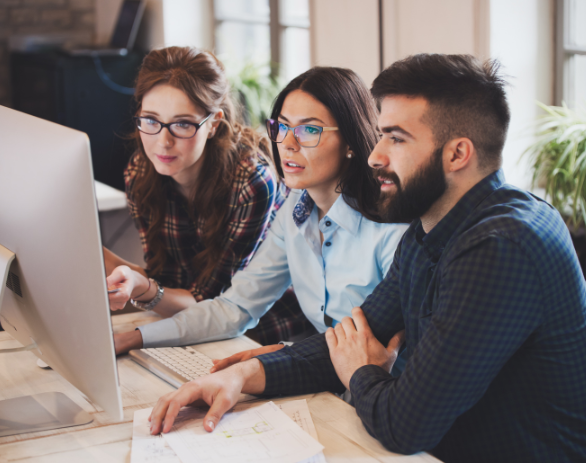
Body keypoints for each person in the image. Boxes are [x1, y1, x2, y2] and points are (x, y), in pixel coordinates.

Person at [147, 54, 586, 463]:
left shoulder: (501, 247)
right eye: (381, 135)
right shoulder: (431, 223)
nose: (375, 156)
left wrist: (360, 371)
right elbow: (349, 338)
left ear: (457, 154)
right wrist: (241, 376)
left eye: (396, 138)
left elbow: (405, 425)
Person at [112, 66, 408, 357]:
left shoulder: (392, 228)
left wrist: (264, 365)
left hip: (378, 390)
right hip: (330, 376)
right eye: (282, 127)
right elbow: (236, 307)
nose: (288, 144)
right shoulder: (296, 208)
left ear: (350, 142)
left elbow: (370, 347)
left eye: (309, 130)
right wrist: (134, 339)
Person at [104, 47, 301, 345]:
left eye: (183, 124)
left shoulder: (251, 182)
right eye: (151, 120)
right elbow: (168, 285)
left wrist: (141, 286)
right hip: (186, 323)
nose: (163, 142)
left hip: (261, 330)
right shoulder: (140, 172)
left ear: (213, 124)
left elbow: (213, 307)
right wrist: (101, 259)